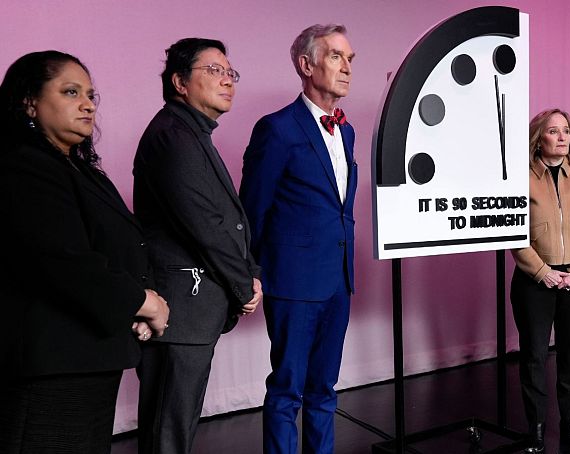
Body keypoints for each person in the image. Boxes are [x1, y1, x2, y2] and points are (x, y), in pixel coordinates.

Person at [0, 50, 169, 453]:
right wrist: (144, 302)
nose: (88, 104)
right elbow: (65, 261)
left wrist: (139, 308)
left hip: (92, 358)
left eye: (91, 95)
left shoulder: (84, 172)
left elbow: (127, 245)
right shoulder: (24, 166)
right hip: (52, 367)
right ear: (30, 102)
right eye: (71, 92)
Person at [133, 38, 262, 454]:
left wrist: (250, 273)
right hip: (180, 312)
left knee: (174, 430)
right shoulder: (173, 137)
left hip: (192, 311)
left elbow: (226, 220)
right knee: (168, 435)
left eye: (230, 72)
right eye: (214, 70)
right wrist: (244, 285)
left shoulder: (191, 133)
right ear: (180, 82)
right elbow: (204, 225)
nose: (227, 80)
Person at [240, 24, 357, 454]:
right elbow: (252, 209)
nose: (347, 68)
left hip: (338, 279)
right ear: (307, 65)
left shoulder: (346, 131)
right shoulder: (276, 128)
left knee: (324, 388)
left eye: (350, 59)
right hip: (293, 282)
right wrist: (250, 271)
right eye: (336, 57)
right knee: (288, 389)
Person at [511, 108, 570, 452]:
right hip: (534, 280)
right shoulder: (519, 178)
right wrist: (542, 272)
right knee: (534, 355)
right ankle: (535, 428)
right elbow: (512, 232)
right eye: (553, 131)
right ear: (539, 139)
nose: (562, 136)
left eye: (566, 130)